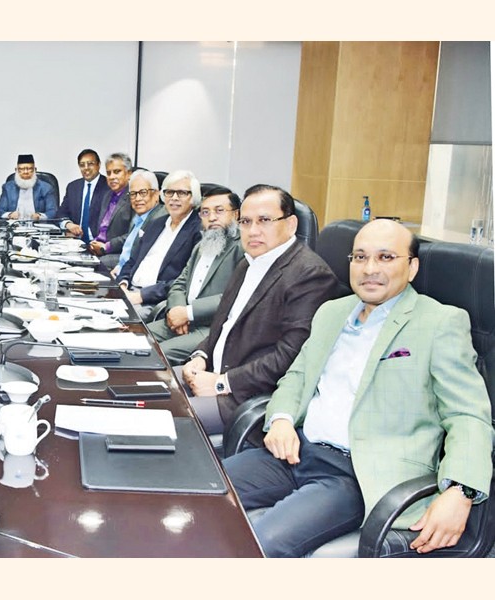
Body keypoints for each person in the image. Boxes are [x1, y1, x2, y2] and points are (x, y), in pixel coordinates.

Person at [223, 219, 493, 558]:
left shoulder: (439, 323)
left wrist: (460, 490)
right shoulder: (331, 312)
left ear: (412, 268)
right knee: (197, 495)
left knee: (258, 545)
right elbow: (296, 378)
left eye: (385, 258)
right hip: (292, 453)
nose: (370, 269)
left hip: (354, 475)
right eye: (360, 257)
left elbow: (468, 415)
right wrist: (280, 419)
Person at [181, 184, 339, 429]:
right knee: (147, 387)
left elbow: (290, 357)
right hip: (210, 374)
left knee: (164, 416)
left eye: (264, 220)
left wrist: (222, 382)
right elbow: (223, 325)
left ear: (291, 225)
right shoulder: (249, 262)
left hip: (246, 398)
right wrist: (201, 356)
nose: (253, 231)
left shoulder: (310, 275)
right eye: (245, 221)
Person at [147, 185, 244, 364]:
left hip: (212, 327)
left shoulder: (242, 248)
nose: (212, 217)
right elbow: (180, 283)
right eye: (205, 212)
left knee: (156, 355)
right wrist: (177, 309)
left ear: (236, 215)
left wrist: (188, 313)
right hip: (181, 320)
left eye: (219, 211)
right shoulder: (203, 244)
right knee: (135, 338)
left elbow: (236, 296)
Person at [115, 170, 198, 320]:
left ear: (193, 198)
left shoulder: (198, 231)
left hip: (152, 301)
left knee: (117, 320)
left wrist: (141, 296)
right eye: (169, 192)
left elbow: (185, 280)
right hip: (129, 291)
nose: (174, 198)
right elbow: (133, 261)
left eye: (181, 193)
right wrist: (122, 285)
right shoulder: (156, 223)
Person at [88, 152, 134, 269]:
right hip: (99, 250)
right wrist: (94, 243)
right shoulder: (107, 195)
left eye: (117, 172)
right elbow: (101, 228)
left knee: (95, 266)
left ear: (129, 174)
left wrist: (106, 246)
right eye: (109, 173)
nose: (112, 177)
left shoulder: (134, 197)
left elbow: (133, 235)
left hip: (117, 253)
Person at [56, 149, 108, 243]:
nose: (86, 168)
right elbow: (61, 213)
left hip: (99, 243)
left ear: (98, 165)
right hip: (74, 242)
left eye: (90, 164)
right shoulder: (73, 187)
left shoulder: (108, 187)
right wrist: (68, 224)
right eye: (82, 165)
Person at [0, 154, 58, 220]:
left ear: (35, 170)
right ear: (16, 170)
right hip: (14, 226)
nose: (25, 172)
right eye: (21, 169)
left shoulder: (46, 188)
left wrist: (40, 216)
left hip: (38, 226)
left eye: (29, 169)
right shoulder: (8, 188)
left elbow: (52, 211)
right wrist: (9, 215)